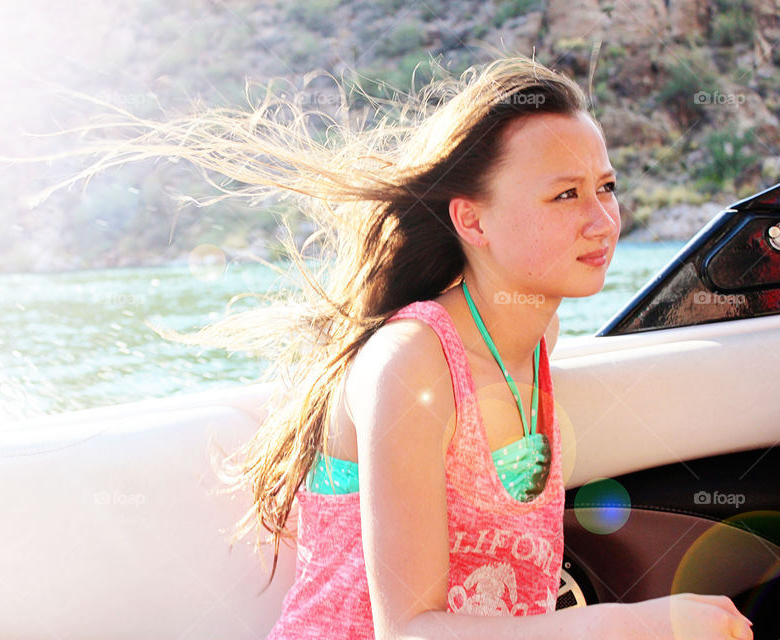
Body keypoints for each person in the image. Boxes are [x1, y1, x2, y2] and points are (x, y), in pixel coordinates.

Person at [53, 56, 754, 639]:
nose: (602, 220)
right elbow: (412, 629)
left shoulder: (534, 332)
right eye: (564, 195)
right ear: (471, 219)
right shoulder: (411, 362)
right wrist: (629, 625)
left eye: (606, 187)